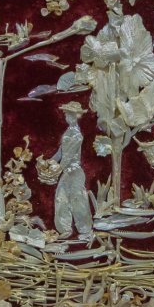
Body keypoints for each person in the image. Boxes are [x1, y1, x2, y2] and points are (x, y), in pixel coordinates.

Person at [52, 101, 93, 239]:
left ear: (76, 116)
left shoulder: (77, 135)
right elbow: (61, 152)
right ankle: (65, 228)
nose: (66, 117)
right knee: (61, 198)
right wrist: (49, 162)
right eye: (66, 114)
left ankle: (85, 230)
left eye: (69, 114)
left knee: (78, 199)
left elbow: (68, 156)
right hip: (67, 171)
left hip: (74, 172)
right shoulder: (68, 132)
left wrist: (57, 169)